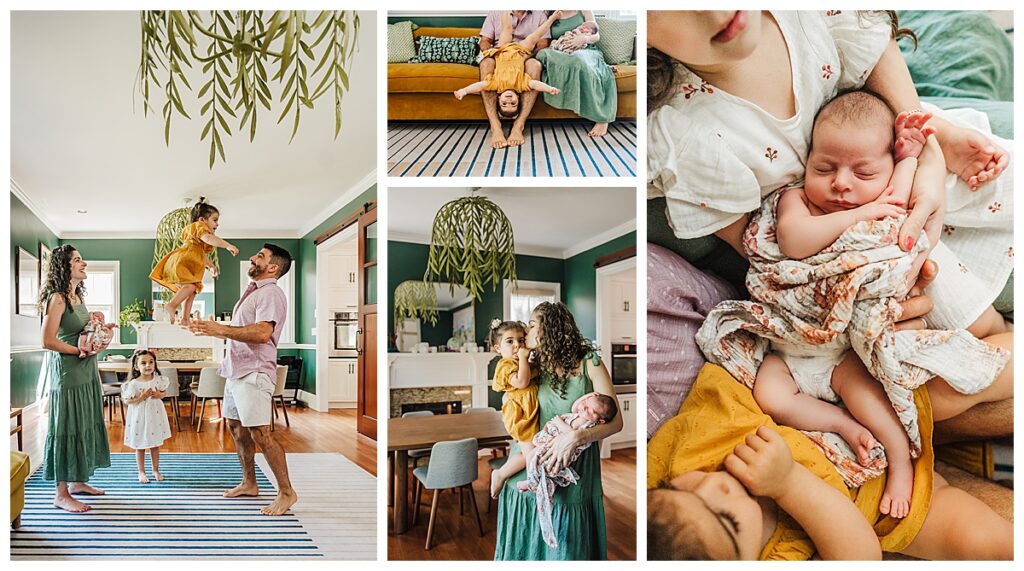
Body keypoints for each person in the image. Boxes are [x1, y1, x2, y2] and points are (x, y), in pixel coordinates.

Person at [644, 10, 1013, 438]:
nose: (715, 10)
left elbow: (908, 123)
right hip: (855, 263)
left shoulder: (816, 14)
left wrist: (931, 149)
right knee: (948, 362)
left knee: (973, 40)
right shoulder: (683, 133)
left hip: (910, 170)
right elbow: (779, 261)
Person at [744, 90, 1008, 519]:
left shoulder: (887, 195)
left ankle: (901, 461)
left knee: (870, 399)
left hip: (845, 351)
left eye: (863, 172)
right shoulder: (797, 201)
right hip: (790, 346)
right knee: (769, 394)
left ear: (886, 172)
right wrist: (854, 217)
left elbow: (903, 210)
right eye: (824, 167)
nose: (841, 183)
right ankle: (841, 425)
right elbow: (793, 242)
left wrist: (908, 157)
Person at [646, 365, 1013, 560]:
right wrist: (788, 483)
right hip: (889, 506)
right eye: (727, 521)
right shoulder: (774, 558)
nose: (712, 484)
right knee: (988, 544)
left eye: (676, 487)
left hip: (843, 394)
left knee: (970, 377)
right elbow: (861, 556)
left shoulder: (680, 457)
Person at [493, 301, 622, 560]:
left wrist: (578, 436)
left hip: (574, 464)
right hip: (530, 455)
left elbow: (616, 422)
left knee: (567, 545)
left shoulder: (589, 363)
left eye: (530, 326)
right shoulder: (531, 364)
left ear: (548, 329)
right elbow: (515, 403)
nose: (524, 334)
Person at [187, 243, 297, 516]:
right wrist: (216, 330)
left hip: (255, 372)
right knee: (236, 428)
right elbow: (243, 332)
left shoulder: (271, 292)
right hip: (236, 370)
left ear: (273, 267)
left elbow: (262, 334)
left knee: (260, 432)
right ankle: (250, 482)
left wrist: (220, 329)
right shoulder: (253, 293)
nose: (253, 257)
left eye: (260, 255)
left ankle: (286, 492)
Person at [38, 244, 113, 513]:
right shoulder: (57, 298)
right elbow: (47, 341)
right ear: (65, 266)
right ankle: (61, 493)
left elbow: (81, 331)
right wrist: (79, 351)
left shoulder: (77, 296)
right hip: (68, 375)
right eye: (78, 260)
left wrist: (98, 325)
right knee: (66, 428)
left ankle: (79, 481)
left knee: (84, 425)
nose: (85, 264)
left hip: (86, 372)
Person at [516, 392, 618, 549]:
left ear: (600, 420)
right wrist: (588, 397)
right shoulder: (583, 413)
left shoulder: (588, 424)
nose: (584, 408)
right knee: (537, 461)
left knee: (541, 462)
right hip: (553, 442)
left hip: (560, 451)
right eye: (586, 404)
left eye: (590, 409)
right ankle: (536, 483)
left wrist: (558, 422)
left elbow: (572, 435)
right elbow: (575, 406)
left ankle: (533, 483)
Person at [150, 197, 239, 326]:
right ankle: (172, 305)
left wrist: (211, 266)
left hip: (188, 261)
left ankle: (185, 318)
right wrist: (227, 245)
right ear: (202, 220)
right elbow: (209, 239)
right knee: (190, 286)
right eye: (215, 220)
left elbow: (201, 255)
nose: (217, 224)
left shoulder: (196, 239)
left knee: (192, 291)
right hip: (184, 261)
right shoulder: (199, 227)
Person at [456, 12, 561, 117]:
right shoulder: (521, 85)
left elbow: (479, 86)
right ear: (518, 99)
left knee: (506, 28)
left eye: (504, 104)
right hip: (521, 52)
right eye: (513, 104)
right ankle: (552, 19)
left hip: (503, 50)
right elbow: (535, 84)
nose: (509, 100)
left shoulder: (496, 84)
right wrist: (549, 89)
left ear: (499, 98)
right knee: (534, 36)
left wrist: (464, 91)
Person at [536, 10, 618, 137]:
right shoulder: (550, 13)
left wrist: (583, 38)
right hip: (560, 49)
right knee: (542, 54)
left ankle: (602, 118)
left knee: (579, 59)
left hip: (584, 49)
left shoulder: (584, 9)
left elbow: (596, 35)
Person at [478, 11, 552, 149]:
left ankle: (519, 125)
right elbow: (485, 41)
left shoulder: (539, 15)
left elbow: (543, 44)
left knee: (534, 65)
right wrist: (493, 54)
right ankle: (495, 126)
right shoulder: (495, 14)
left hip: (525, 54)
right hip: (500, 53)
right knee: (486, 63)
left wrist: (525, 56)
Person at [487, 319, 540, 499]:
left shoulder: (523, 363)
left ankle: (502, 474)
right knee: (532, 454)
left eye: (521, 340)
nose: (517, 345)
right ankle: (502, 475)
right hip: (520, 416)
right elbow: (522, 381)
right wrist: (525, 358)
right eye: (510, 341)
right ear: (497, 348)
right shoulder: (505, 366)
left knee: (530, 453)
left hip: (530, 414)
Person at [121, 349, 171, 483]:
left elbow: (163, 393)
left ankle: (155, 470)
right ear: (136, 366)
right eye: (143, 363)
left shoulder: (159, 380)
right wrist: (142, 397)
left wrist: (158, 395)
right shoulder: (133, 384)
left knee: (155, 444)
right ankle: (141, 471)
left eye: (151, 362)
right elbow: (127, 401)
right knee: (140, 445)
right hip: (139, 416)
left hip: (154, 415)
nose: (148, 365)